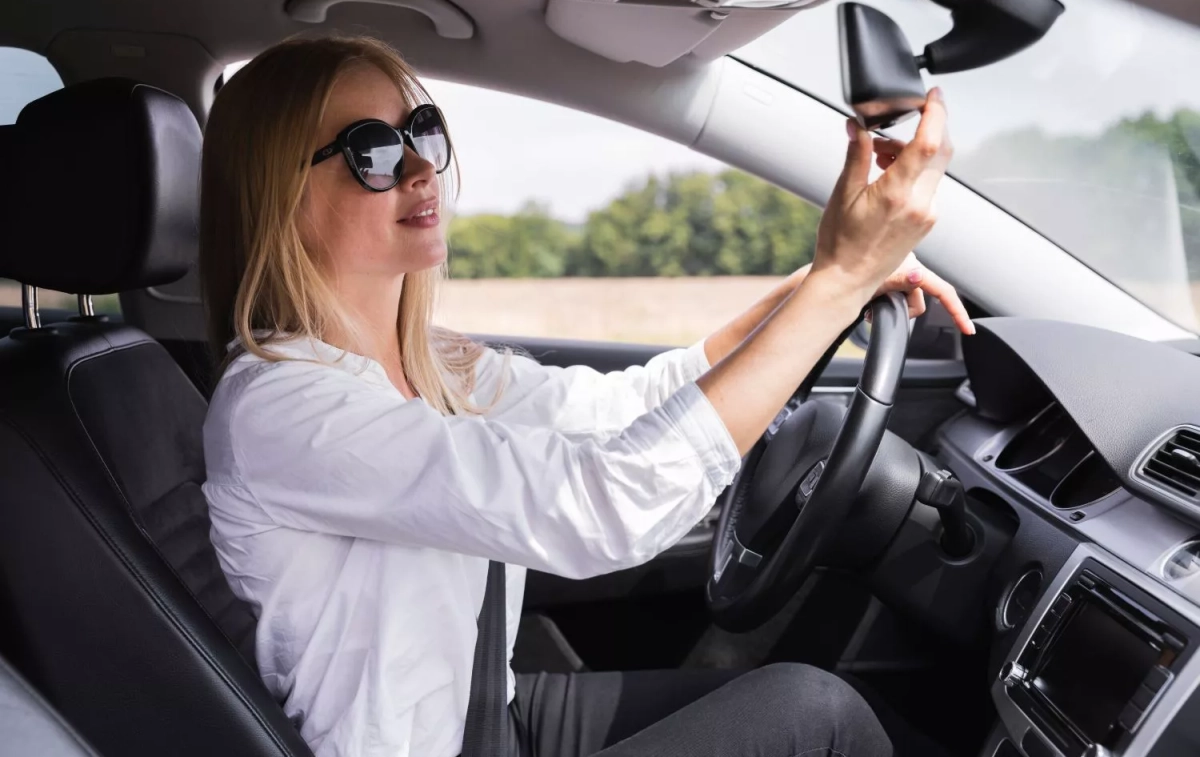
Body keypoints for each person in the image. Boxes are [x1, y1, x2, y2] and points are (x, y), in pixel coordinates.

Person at [199, 35, 969, 757]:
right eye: (370, 150)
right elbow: (598, 507)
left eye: (421, 130)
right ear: (279, 194)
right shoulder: (282, 408)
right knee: (816, 717)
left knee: (826, 700)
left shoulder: (433, 362)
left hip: (489, 718)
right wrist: (836, 287)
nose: (417, 168)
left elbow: (620, 410)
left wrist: (820, 287)